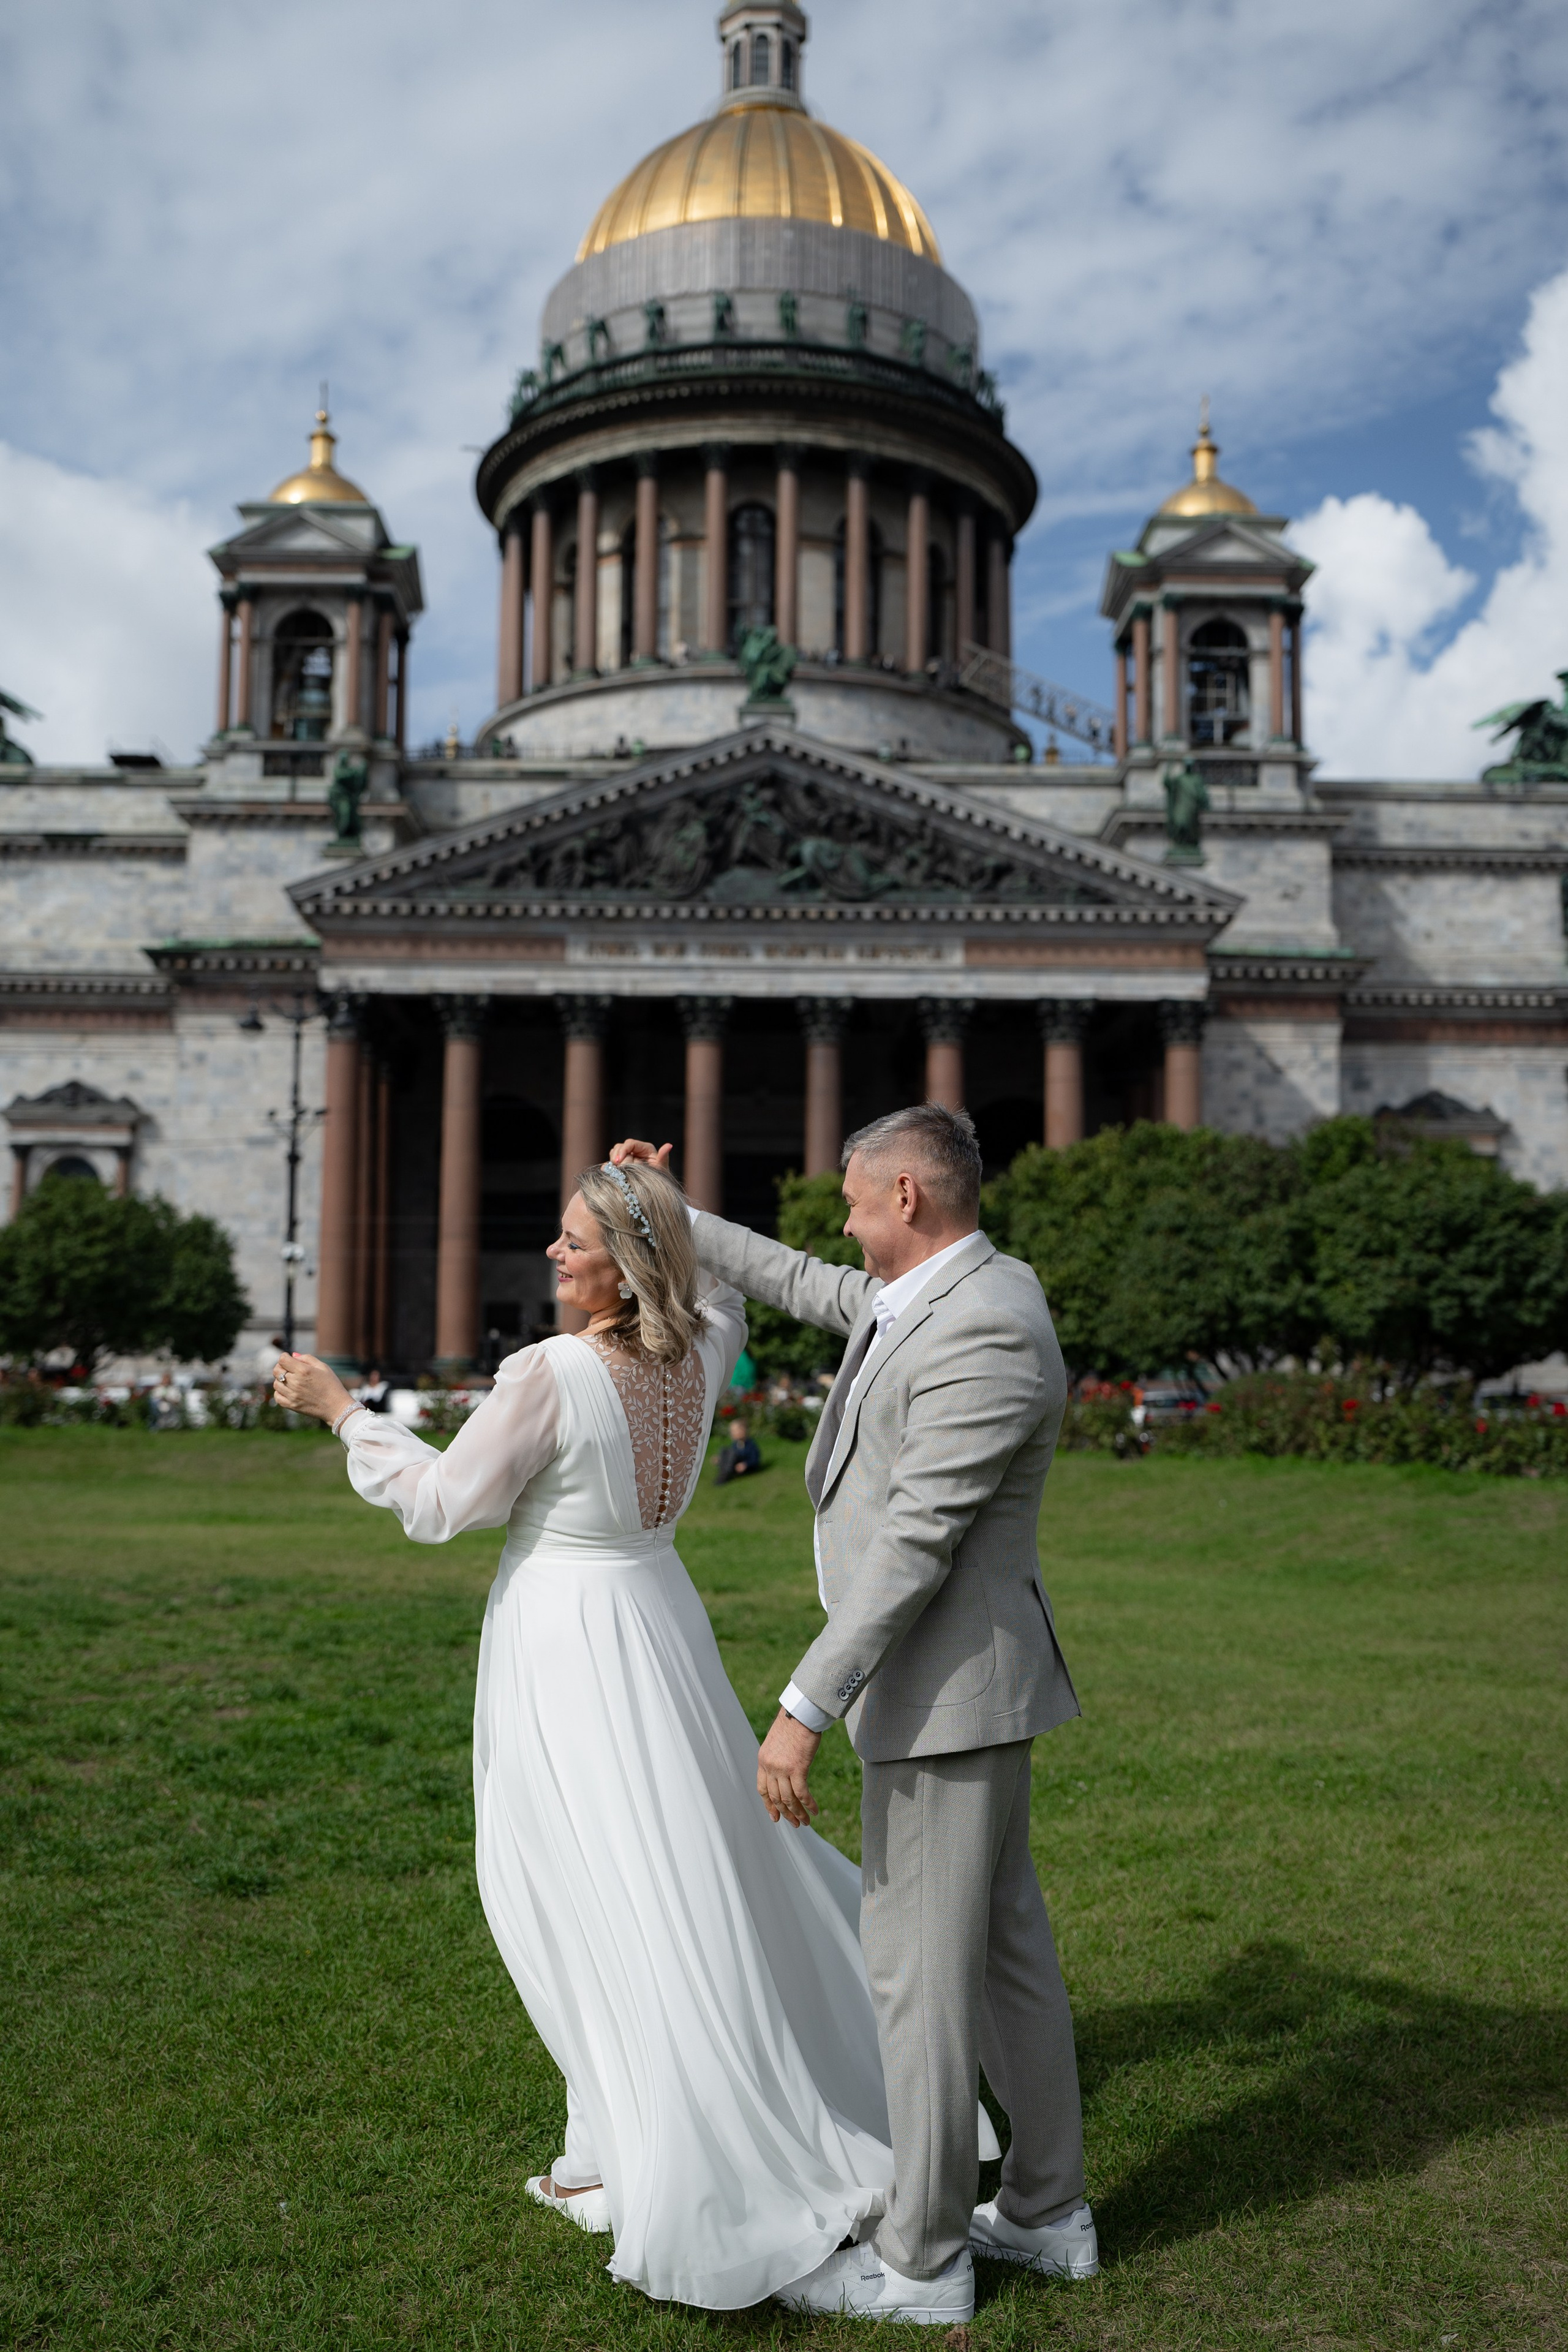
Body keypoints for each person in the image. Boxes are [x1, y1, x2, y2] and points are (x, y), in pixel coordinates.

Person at [269, 1158, 895, 2312]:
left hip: (566, 1641)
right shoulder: (705, 1346)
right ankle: (602, 2141)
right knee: (670, 1874)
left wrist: (342, 1411)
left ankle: (670, 2146)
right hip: (658, 1621)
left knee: (579, 1886)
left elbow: (443, 1504)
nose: (554, 1254)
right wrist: (665, 1194)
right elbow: (725, 1290)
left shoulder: (552, 1371)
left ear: (629, 1264)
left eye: (575, 1241)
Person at [611, 1103, 1095, 2325]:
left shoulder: (984, 1322)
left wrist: (801, 1707)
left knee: (919, 1979)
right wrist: (674, 1217)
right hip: (956, 1690)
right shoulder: (932, 1291)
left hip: (944, 1696)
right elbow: (803, 1282)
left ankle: (922, 2264)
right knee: (1003, 1958)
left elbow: (915, 1544)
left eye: (852, 1198)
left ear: (906, 1197)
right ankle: (1045, 2211)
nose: (841, 1221)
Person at [713, 1415, 762, 1485]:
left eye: (734, 1431)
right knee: (724, 1450)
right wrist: (720, 1459)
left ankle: (725, 1475)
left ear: (743, 1431)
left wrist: (746, 1465)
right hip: (735, 1466)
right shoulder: (735, 1445)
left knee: (732, 1453)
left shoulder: (750, 1445)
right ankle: (724, 1472)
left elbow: (755, 1459)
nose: (732, 1434)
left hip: (745, 1468)